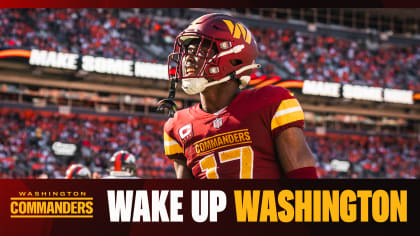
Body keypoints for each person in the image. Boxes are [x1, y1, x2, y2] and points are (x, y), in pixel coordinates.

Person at [160, 13, 317, 179]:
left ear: (234, 59)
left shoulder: (271, 102)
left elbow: (304, 181)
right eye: (188, 51)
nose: (188, 59)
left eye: (200, 50)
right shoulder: (176, 125)